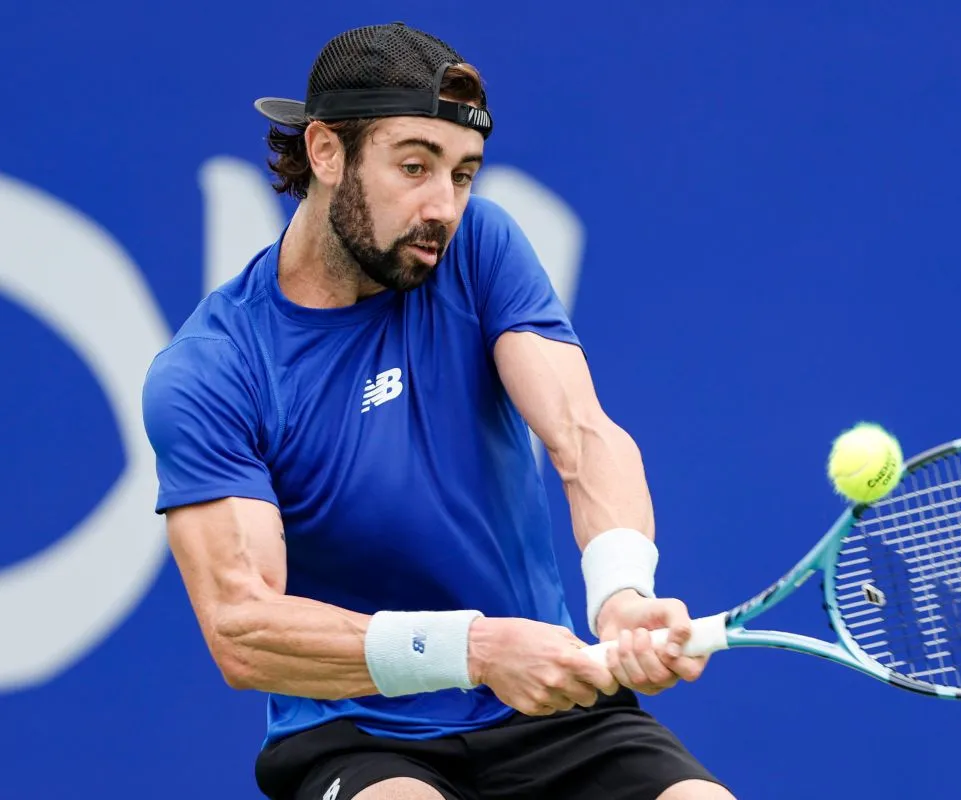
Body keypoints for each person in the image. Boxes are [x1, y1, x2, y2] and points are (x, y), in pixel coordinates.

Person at [141, 20, 735, 800]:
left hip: (547, 712)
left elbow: (582, 435)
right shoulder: (213, 371)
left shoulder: (479, 248)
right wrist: (476, 649)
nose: (443, 206)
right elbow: (244, 632)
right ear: (325, 153)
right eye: (414, 166)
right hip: (359, 732)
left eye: (463, 174)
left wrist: (622, 592)